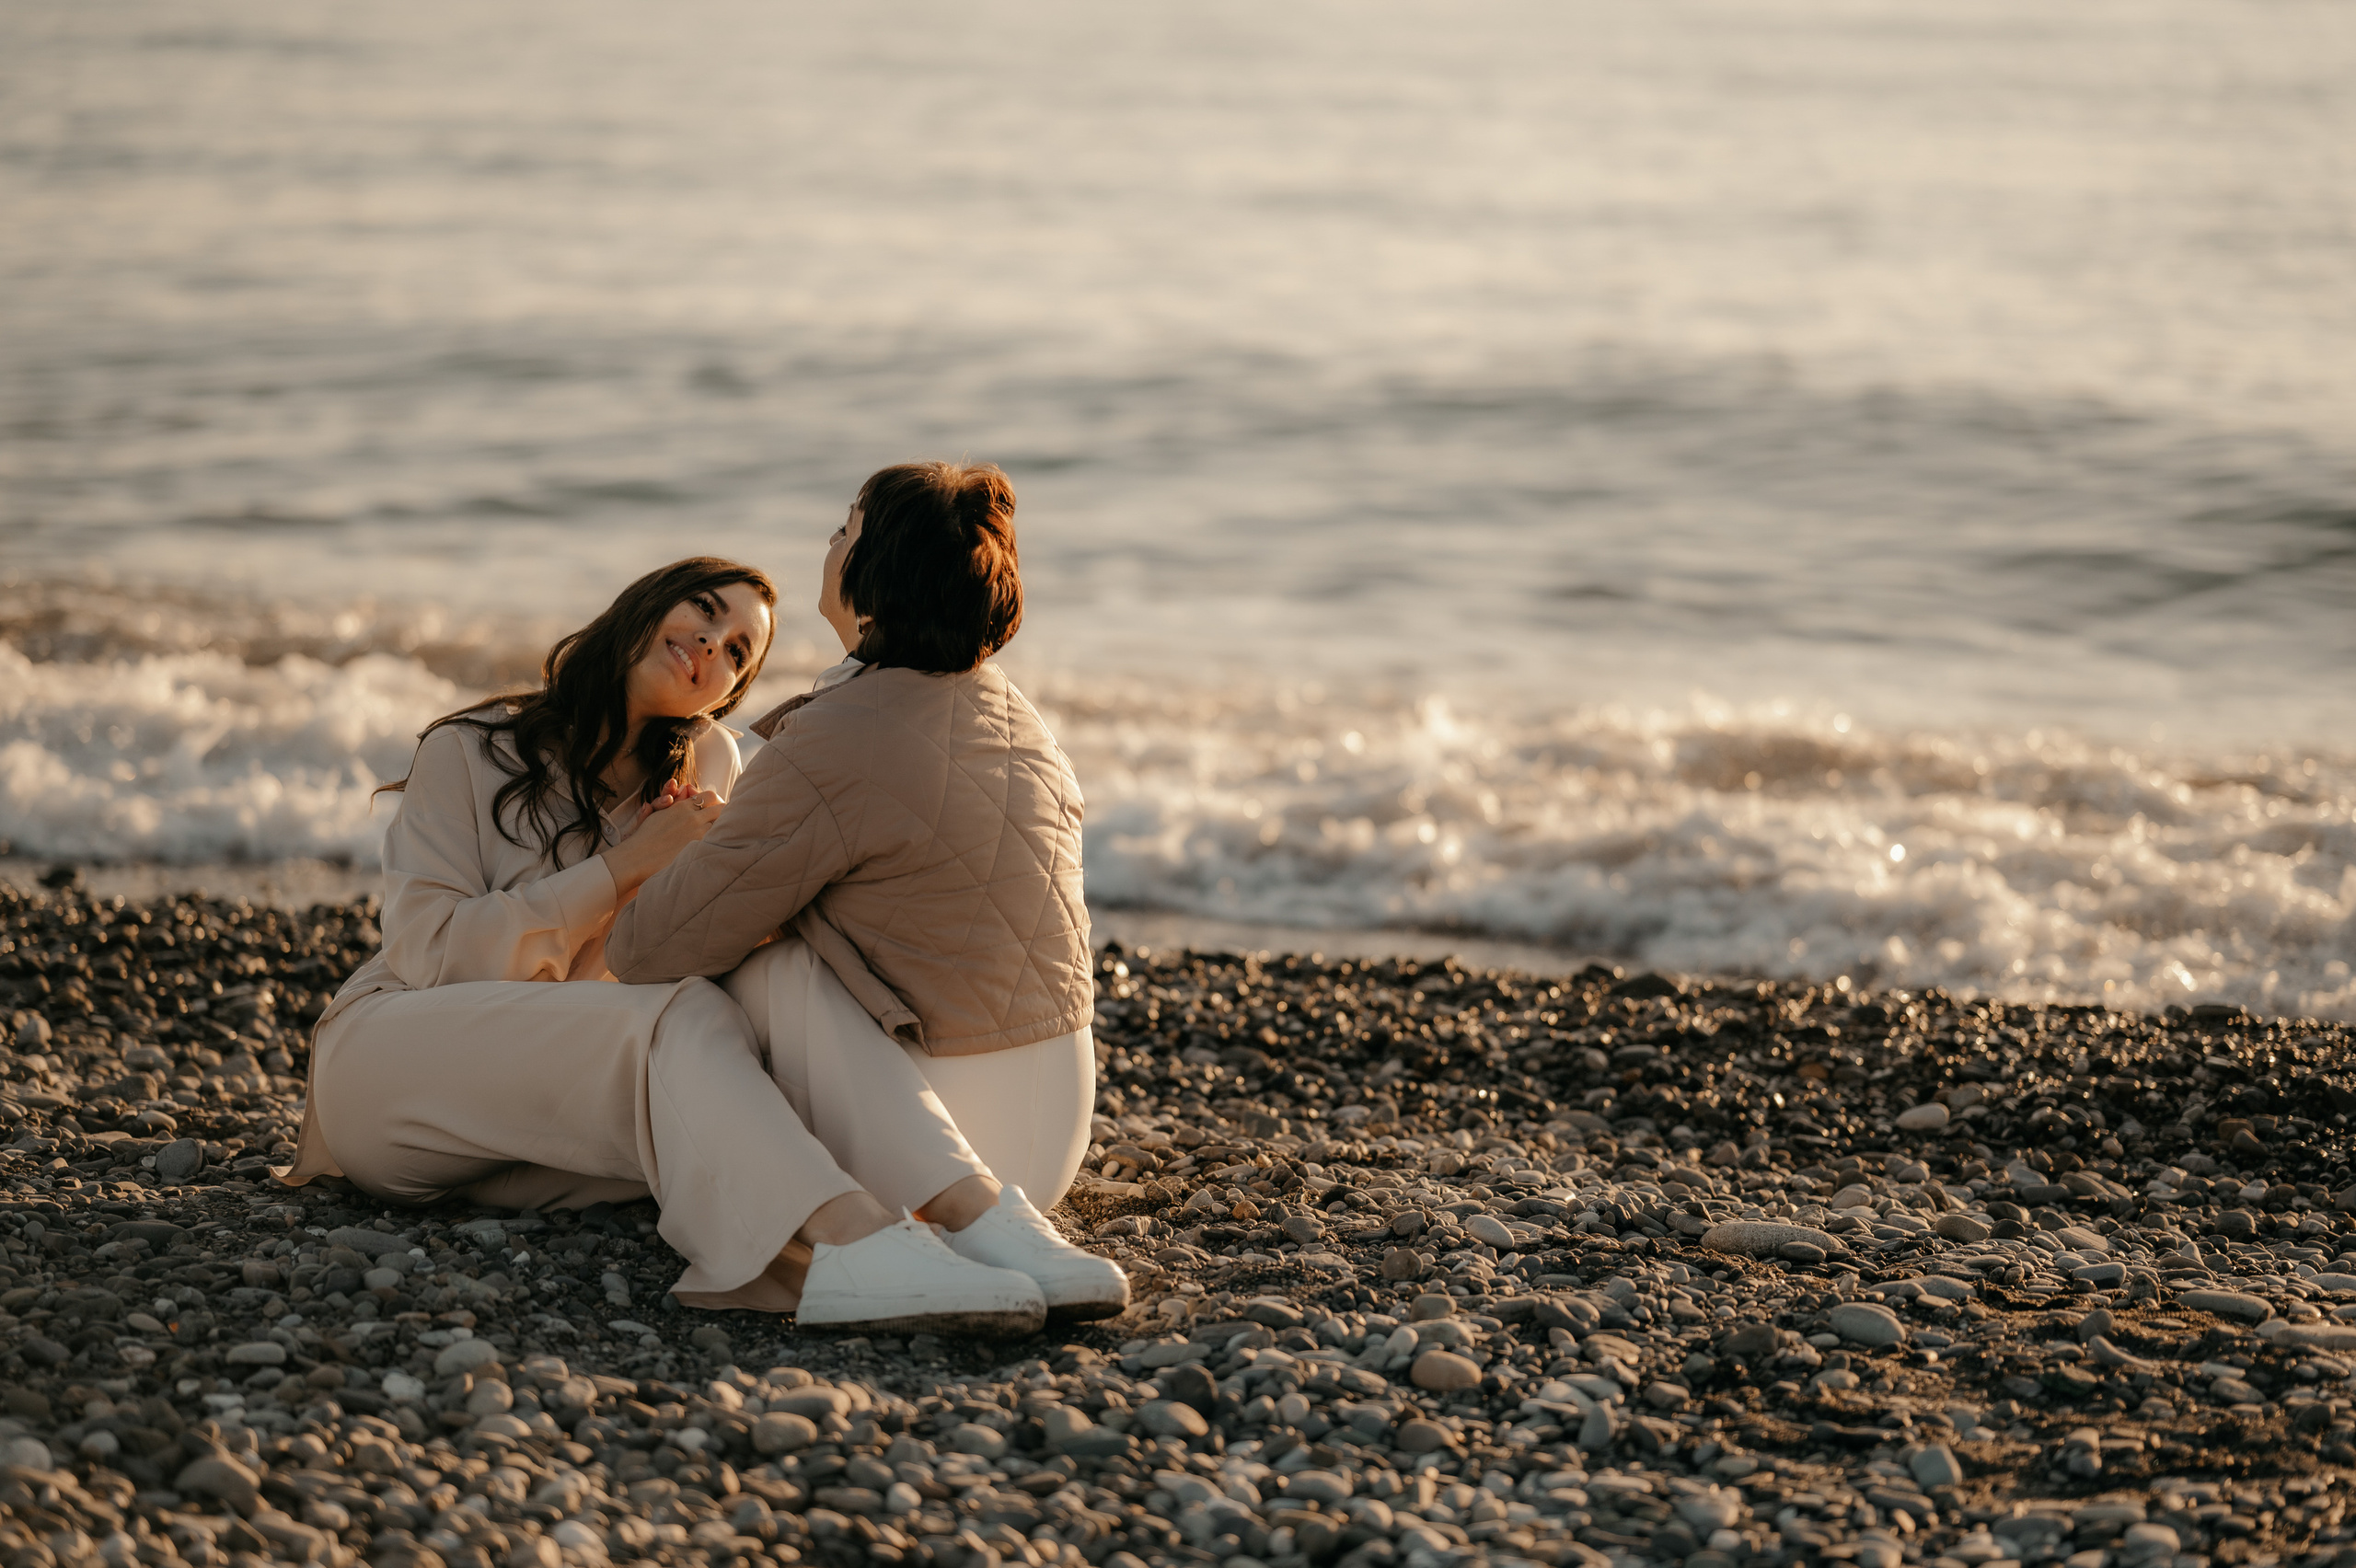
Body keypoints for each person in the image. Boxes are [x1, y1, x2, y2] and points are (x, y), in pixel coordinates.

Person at [276, 553, 1061, 1334]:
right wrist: (626, 867)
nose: (713, 646)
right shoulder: (472, 750)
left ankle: (971, 1211)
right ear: (649, 603)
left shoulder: (712, 764)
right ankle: (854, 1245)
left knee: (780, 970)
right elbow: (432, 956)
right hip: (399, 1071)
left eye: (739, 654)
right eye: (707, 610)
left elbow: (694, 952)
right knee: (678, 1014)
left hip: (556, 1125)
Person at [608, 460, 1126, 1323]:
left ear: (872, 578)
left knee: (769, 965)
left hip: (951, 1145)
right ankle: (1002, 1235)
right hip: (1056, 1146)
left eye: (846, 530)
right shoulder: (1023, 719)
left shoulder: (836, 736)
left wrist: (658, 848)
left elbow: (647, 949)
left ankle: (885, 1242)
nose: (831, 543)